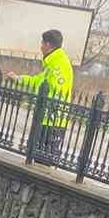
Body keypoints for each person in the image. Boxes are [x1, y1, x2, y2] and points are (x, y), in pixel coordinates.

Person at [13, 28, 73, 163]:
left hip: (52, 121)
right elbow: (39, 81)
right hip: (46, 119)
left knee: (44, 161)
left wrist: (43, 104)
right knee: (36, 158)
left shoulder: (58, 64)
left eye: (41, 44)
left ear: (47, 45)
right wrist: (19, 79)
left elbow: (56, 90)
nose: (40, 47)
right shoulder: (52, 62)